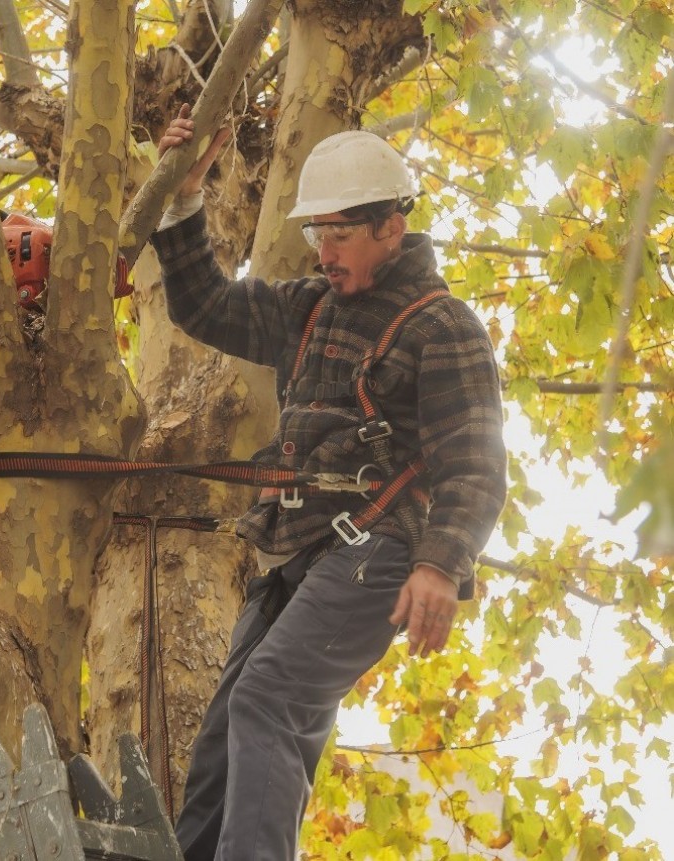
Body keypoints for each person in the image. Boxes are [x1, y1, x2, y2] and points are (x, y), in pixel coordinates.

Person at [150, 105, 507, 861]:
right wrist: (183, 200)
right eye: (315, 233)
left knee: (268, 698)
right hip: (295, 558)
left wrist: (439, 563)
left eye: (337, 233)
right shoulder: (306, 310)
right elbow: (204, 304)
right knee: (222, 738)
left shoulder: (440, 326)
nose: (321, 252)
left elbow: (472, 463)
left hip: (375, 551)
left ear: (390, 227)